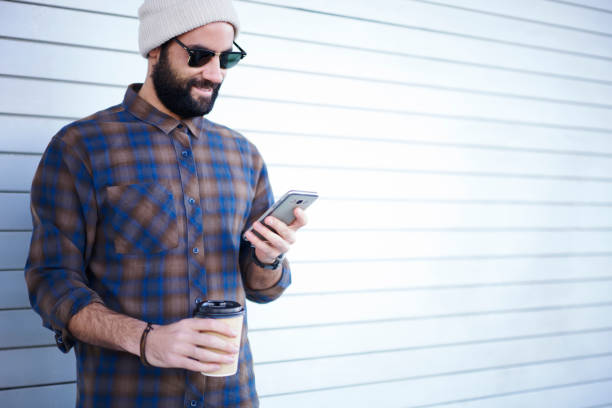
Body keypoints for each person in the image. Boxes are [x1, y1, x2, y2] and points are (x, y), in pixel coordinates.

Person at [24, 1, 306, 406]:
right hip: (129, 396)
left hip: (231, 396)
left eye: (227, 57)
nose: (215, 72)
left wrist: (267, 259)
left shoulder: (243, 155)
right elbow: (50, 280)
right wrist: (146, 340)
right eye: (199, 56)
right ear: (155, 49)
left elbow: (262, 289)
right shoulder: (81, 147)